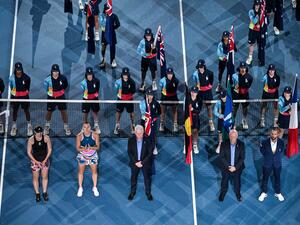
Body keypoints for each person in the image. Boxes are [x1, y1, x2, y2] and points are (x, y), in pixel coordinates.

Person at [258, 127, 285, 202]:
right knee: (265, 178)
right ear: (270, 133)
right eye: (272, 134)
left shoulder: (281, 142)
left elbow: (281, 150)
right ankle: (263, 192)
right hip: (267, 163)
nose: (273, 135)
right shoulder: (264, 142)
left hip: (277, 164)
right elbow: (262, 150)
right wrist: (267, 156)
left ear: (278, 134)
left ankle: (278, 192)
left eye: (275, 134)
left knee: (277, 178)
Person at [127, 125, 153, 201]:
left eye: (140, 133)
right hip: (134, 163)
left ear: (143, 132)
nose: (139, 135)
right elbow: (129, 152)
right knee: (133, 178)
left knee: (147, 179)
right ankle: (132, 192)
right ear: (135, 132)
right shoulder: (131, 140)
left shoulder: (148, 140)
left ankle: (148, 193)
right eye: (137, 133)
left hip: (145, 163)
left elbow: (150, 153)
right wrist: (135, 162)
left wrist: (142, 162)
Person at [44, 64, 71, 136]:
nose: (55, 73)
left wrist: (59, 93)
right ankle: (47, 125)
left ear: (59, 71)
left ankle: (66, 126)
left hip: (61, 97)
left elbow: (65, 86)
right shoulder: (47, 79)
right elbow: (46, 88)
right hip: (51, 97)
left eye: (57, 71)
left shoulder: (63, 78)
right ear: (52, 71)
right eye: (54, 71)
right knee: (49, 111)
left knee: (63, 111)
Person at [219, 129, 245, 202]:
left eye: (234, 137)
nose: (233, 138)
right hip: (226, 167)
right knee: (224, 181)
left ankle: (238, 194)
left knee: (237, 182)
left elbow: (242, 158)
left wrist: (235, 167)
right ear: (229, 136)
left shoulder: (241, 144)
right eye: (231, 137)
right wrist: (228, 167)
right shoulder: (224, 144)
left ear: (237, 136)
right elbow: (222, 157)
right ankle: (223, 193)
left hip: (237, 168)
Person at [27, 126, 52, 202]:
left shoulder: (46, 138)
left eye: (41, 131)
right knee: (36, 178)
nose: (39, 133)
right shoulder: (31, 140)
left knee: (45, 177)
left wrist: (45, 160)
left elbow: (50, 149)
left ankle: (44, 192)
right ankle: (37, 193)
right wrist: (35, 161)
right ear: (35, 132)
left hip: (45, 160)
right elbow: (29, 152)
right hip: (35, 161)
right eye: (38, 132)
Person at [76, 122, 100, 197]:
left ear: (90, 127)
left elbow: (97, 147)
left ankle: (94, 187)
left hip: (93, 156)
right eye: (85, 127)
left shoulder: (95, 135)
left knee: (94, 172)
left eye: (88, 127)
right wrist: (84, 148)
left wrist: (91, 148)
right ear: (82, 128)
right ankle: (80, 188)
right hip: (83, 156)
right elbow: (77, 148)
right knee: (80, 172)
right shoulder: (79, 136)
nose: (86, 129)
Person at [9, 62, 33, 137]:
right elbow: (11, 87)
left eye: (20, 69)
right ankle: (14, 126)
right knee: (15, 111)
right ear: (15, 69)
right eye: (17, 69)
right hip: (15, 97)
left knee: (26, 110)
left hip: (24, 97)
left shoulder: (27, 78)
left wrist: (23, 94)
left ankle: (29, 125)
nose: (18, 71)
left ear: (21, 69)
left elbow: (27, 88)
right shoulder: (11, 78)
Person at [192, 59, 215, 132]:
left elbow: (211, 82)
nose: (200, 68)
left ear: (204, 66)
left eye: (201, 67)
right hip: (200, 93)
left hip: (208, 92)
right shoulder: (195, 74)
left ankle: (211, 122)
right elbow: (196, 83)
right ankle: (196, 123)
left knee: (209, 107)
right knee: (198, 108)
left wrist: (208, 86)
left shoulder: (210, 73)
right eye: (199, 67)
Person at [114, 67, 136, 135]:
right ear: (122, 74)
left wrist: (127, 96)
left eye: (126, 74)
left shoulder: (132, 82)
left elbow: (133, 91)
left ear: (128, 74)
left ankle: (133, 124)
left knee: (131, 112)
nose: (125, 76)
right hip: (120, 99)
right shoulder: (118, 82)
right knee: (118, 112)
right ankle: (117, 124)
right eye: (124, 74)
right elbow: (116, 90)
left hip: (129, 99)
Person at [232, 61, 253, 130]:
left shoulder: (250, 77)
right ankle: (233, 121)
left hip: (244, 95)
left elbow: (248, 86)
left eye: (244, 68)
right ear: (239, 68)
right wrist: (235, 87)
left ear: (246, 68)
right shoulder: (234, 76)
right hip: (236, 95)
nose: (243, 69)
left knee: (245, 108)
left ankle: (244, 119)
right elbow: (232, 85)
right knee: (235, 108)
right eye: (241, 68)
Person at [99, 3, 120, 68]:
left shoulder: (114, 16)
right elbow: (101, 25)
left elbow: (118, 24)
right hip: (104, 35)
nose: (107, 10)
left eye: (108, 9)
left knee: (112, 48)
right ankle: (103, 59)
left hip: (112, 35)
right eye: (106, 9)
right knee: (103, 48)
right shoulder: (101, 16)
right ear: (104, 9)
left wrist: (112, 28)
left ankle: (113, 60)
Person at [140, 87, 161, 155]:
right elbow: (143, 113)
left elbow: (159, 111)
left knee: (153, 135)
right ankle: (144, 146)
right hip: (144, 121)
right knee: (144, 134)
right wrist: (147, 119)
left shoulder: (156, 103)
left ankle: (154, 147)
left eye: (151, 95)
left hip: (152, 122)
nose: (150, 96)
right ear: (146, 95)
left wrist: (154, 117)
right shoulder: (143, 103)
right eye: (149, 95)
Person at [159, 67, 179, 133]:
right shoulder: (162, 81)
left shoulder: (176, 81)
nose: (170, 75)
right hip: (165, 97)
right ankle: (162, 124)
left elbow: (175, 89)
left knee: (174, 111)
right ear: (166, 74)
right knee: (163, 111)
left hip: (173, 96)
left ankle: (175, 124)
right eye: (168, 74)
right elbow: (161, 89)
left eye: (171, 74)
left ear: (173, 74)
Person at [80, 67, 101, 134]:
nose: (89, 76)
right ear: (86, 75)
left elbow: (97, 89)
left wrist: (94, 95)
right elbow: (84, 91)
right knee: (85, 113)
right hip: (86, 99)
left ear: (92, 74)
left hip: (94, 99)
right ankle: (84, 126)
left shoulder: (97, 81)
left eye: (91, 74)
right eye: (88, 74)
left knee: (95, 112)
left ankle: (96, 125)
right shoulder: (83, 83)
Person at [246, 0, 262, 65]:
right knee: (251, 44)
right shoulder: (251, 12)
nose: (257, 6)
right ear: (254, 5)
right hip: (252, 30)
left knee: (260, 44)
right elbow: (254, 21)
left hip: (260, 30)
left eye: (258, 5)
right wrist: (258, 15)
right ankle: (250, 57)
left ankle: (260, 58)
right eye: (256, 5)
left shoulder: (262, 11)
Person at [190, 86, 203, 154]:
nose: (193, 93)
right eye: (192, 92)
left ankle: (195, 145)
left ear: (197, 93)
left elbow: (199, 111)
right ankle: (186, 145)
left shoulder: (199, 100)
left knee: (195, 131)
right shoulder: (187, 99)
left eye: (195, 92)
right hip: (188, 118)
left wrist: (193, 110)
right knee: (187, 131)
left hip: (195, 118)